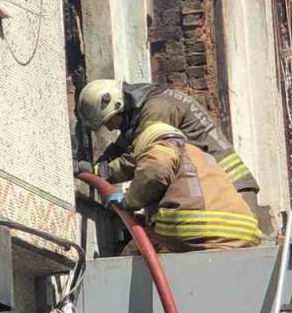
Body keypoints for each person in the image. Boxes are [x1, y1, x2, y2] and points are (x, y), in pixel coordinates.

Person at [74, 80, 261, 215]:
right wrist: (94, 166)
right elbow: (121, 147)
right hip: (218, 190)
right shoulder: (145, 109)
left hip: (231, 192)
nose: (109, 128)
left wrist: (100, 172)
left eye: (108, 121)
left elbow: (140, 159)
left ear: (117, 105)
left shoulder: (157, 109)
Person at [99, 121, 260, 252]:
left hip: (198, 230)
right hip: (242, 233)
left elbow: (153, 172)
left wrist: (128, 201)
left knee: (134, 251)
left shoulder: (163, 147)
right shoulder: (202, 156)